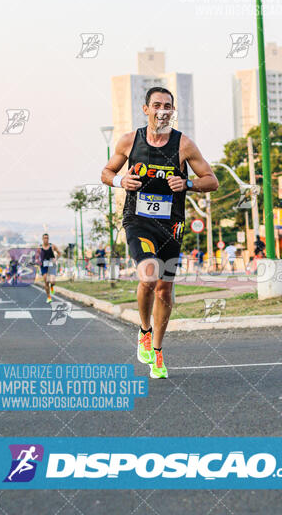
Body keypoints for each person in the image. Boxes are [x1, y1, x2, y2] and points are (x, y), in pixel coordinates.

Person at [101, 87, 218, 379]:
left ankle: (157, 351)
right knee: (149, 274)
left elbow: (212, 181)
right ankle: (143, 330)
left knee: (165, 288)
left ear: (172, 111)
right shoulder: (130, 141)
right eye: (157, 105)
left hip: (171, 224)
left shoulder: (184, 145)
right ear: (146, 109)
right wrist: (120, 180)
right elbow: (105, 172)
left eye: (167, 106)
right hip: (138, 219)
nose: (162, 110)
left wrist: (188, 185)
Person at [36, 234, 61, 303]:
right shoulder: (40, 247)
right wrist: (38, 261)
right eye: (44, 238)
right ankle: (49, 297)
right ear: (42, 239)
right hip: (44, 265)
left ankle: (52, 286)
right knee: (46, 281)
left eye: (47, 238)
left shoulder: (52, 246)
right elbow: (37, 257)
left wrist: (56, 259)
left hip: (51, 265)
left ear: (48, 239)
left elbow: (59, 253)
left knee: (52, 281)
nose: (46, 239)